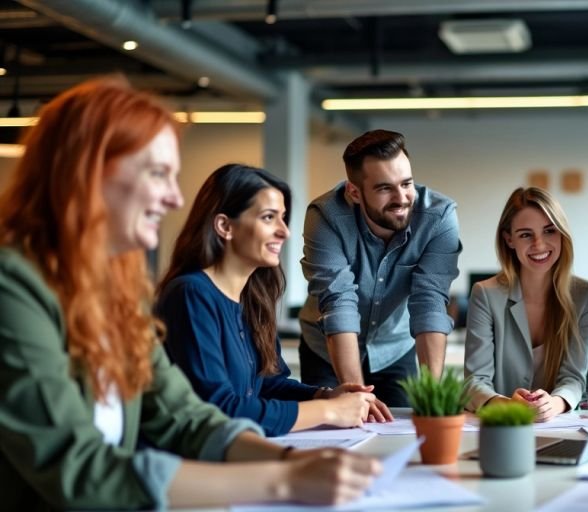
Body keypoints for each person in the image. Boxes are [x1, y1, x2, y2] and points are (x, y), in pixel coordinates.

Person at [0, 77, 379, 508]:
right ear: (89, 172)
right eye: (158, 174)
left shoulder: (114, 293)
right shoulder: (13, 287)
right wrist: (283, 480)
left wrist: (291, 461)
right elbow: (77, 468)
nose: (174, 198)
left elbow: (184, 416)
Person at [157, 164, 391, 438]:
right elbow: (219, 409)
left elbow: (268, 384)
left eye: (283, 218)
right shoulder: (191, 294)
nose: (284, 231)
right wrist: (330, 411)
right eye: (269, 218)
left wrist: (325, 395)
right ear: (224, 226)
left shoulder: (252, 300)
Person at [298, 129, 461, 408]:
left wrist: (433, 399)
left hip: (395, 350)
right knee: (331, 435)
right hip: (326, 349)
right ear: (354, 192)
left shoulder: (438, 217)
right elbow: (338, 303)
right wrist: (357, 397)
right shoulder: (325, 216)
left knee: (407, 432)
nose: (401, 198)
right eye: (385, 188)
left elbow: (430, 302)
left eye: (406, 183)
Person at [464, 187, 588, 421]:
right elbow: (474, 382)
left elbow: (574, 378)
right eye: (526, 234)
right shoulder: (485, 294)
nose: (539, 244)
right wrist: (506, 404)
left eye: (549, 231)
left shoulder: (584, 294)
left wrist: (554, 404)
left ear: (561, 234)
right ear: (509, 239)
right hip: (501, 427)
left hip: (559, 427)